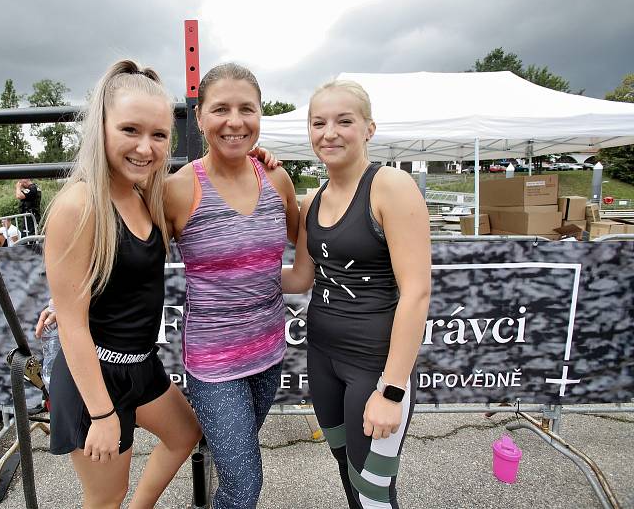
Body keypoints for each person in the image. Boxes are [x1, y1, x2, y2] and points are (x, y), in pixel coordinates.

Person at [42, 60, 201, 509]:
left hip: (141, 365)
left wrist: (260, 161)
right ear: (102, 127)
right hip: (94, 376)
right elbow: (73, 329)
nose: (145, 148)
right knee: (105, 496)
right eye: (130, 130)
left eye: (158, 135)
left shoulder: (143, 194)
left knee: (184, 433)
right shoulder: (80, 204)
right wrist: (102, 414)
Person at [281, 80, 431, 509]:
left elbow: (417, 293)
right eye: (318, 122)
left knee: (374, 492)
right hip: (322, 359)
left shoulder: (391, 187)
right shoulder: (313, 202)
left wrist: (392, 390)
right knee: (351, 478)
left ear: (368, 128)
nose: (329, 132)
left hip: (373, 367)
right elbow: (299, 280)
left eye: (344, 121)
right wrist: (234, 274)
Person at [164, 63, 299, 509]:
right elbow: (131, 256)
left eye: (248, 109)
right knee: (245, 485)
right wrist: (72, 299)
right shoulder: (179, 189)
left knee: (233, 473)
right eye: (220, 108)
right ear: (199, 116)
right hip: (213, 365)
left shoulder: (276, 179)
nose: (235, 121)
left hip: (268, 353)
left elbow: (311, 237)